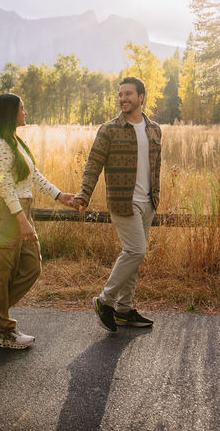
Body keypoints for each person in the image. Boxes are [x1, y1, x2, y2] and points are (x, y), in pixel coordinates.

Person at [0, 92, 79, 349]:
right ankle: (2, 332)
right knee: (3, 271)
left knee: (31, 266)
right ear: (10, 113)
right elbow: (4, 187)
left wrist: (59, 195)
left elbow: (32, 175)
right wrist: (22, 220)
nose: (25, 112)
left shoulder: (15, 142)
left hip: (21, 210)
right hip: (8, 213)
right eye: (22, 108)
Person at [74, 77, 161, 331]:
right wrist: (84, 194)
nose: (123, 98)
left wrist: (156, 196)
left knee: (135, 257)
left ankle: (124, 309)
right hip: (123, 201)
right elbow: (93, 165)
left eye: (128, 94)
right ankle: (105, 301)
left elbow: (156, 167)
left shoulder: (154, 129)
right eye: (120, 94)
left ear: (141, 97)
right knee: (136, 251)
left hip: (149, 201)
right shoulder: (109, 130)